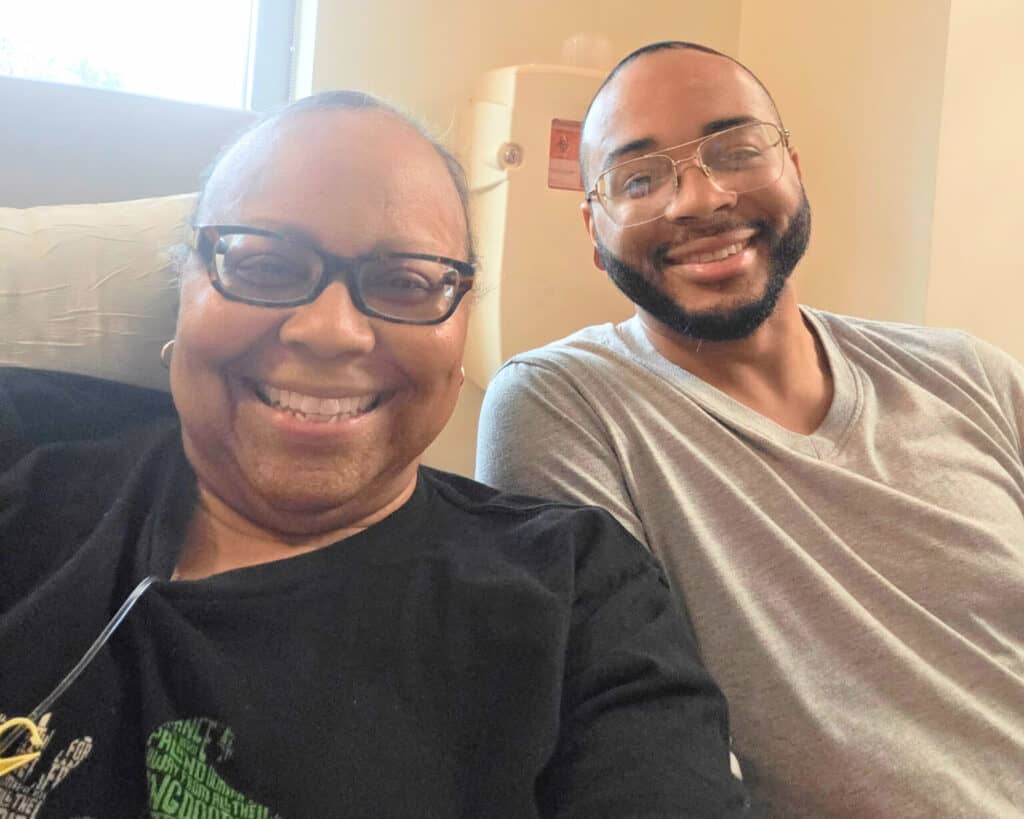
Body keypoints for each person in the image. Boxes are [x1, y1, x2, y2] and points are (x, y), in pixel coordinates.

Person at [0, 91, 749, 816]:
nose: (331, 331)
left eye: (405, 282)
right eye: (264, 264)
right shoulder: (25, 498)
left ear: (458, 343)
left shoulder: (581, 596)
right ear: (185, 289)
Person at [476, 41, 1024, 818]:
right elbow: (626, 742)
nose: (697, 198)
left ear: (793, 169)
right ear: (592, 230)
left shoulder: (970, 377)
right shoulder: (566, 406)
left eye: (735, 150)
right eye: (639, 177)